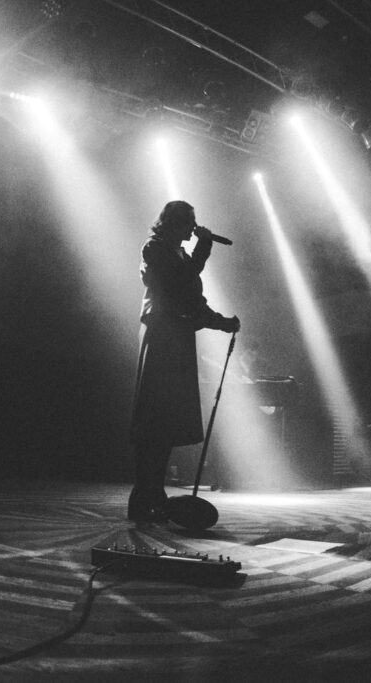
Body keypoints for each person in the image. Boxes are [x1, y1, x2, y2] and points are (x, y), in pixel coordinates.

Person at [128, 200, 240, 523]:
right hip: (161, 338)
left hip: (177, 339)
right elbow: (178, 284)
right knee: (154, 421)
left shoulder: (178, 255)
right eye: (189, 221)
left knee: (166, 424)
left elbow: (192, 297)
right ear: (174, 223)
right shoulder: (154, 249)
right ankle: (143, 496)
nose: (194, 226)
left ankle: (154, 494)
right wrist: (202, 249)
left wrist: (222, 322)